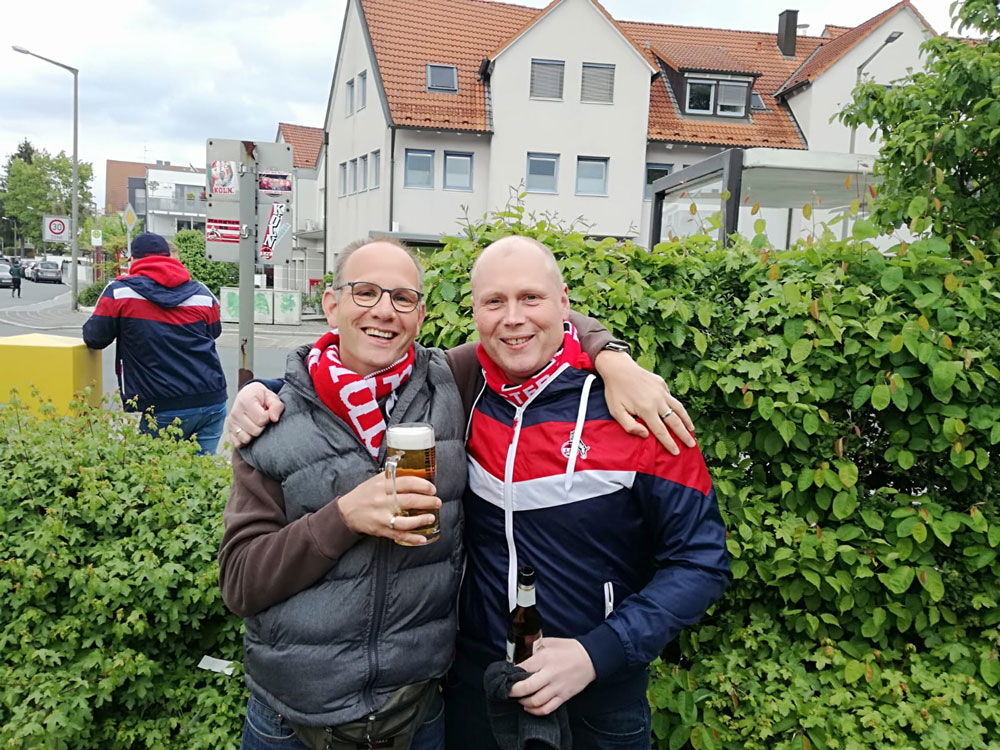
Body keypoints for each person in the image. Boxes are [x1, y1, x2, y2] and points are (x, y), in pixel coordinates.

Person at [219, 237, 693, 750]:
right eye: (365, 292)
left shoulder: (450, 379)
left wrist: (615, 359)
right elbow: (240, 585)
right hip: (290, 721)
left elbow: (529, 324)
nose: (384, 311)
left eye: (403, 298)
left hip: (415, 716)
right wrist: (343, 517)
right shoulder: (272, 418)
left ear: (420, 315)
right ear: (331, 305)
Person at [445, 236, 731, 749]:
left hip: (599, 700)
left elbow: (701, 562)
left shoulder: (638, 409)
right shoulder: (461, 393)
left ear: (564, 303)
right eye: (494, 301)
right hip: (478, 691)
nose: (513, 318)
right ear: (475, 312)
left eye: (531, 298)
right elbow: (373, 365)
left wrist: (597, 653)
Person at [82, 232, 227, 455]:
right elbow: (214, 332)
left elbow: (94, 337)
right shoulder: (202, 293)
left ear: (133, 260)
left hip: (163, 405)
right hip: (213, 401)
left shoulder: (120, 293)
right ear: (168, 258)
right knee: (202, 472)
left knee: (154, 472)